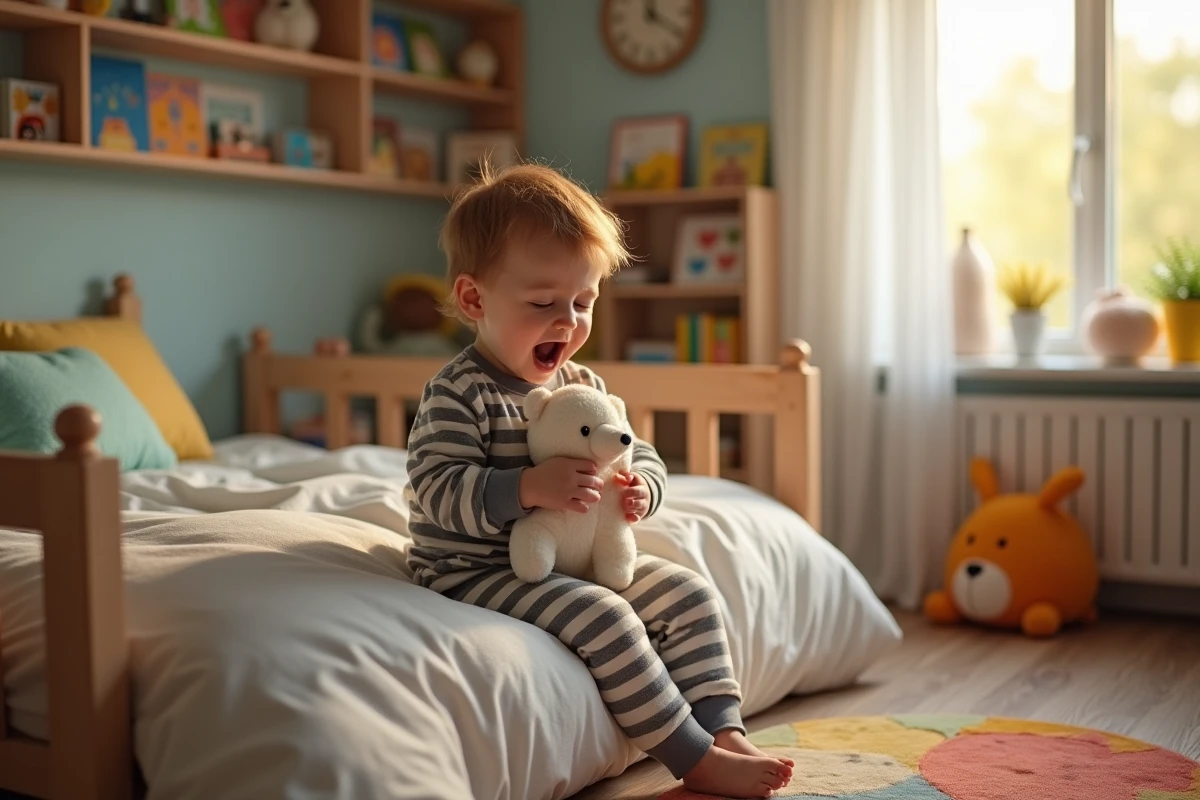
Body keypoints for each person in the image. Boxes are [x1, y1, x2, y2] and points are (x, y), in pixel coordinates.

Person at [403, 162, 794, 798]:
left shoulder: (582, 387)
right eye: (542, 303)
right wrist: (528, 488)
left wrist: (643, 489)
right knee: (605, 616)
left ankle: (725, 730)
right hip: (476, 570)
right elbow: (437, 491)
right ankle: (694, 759)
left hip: (573, 557)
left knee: (689, 594)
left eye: (583, 303)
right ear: (475, 300)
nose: (568, 321)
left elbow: (641, 455)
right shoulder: (459, 393)